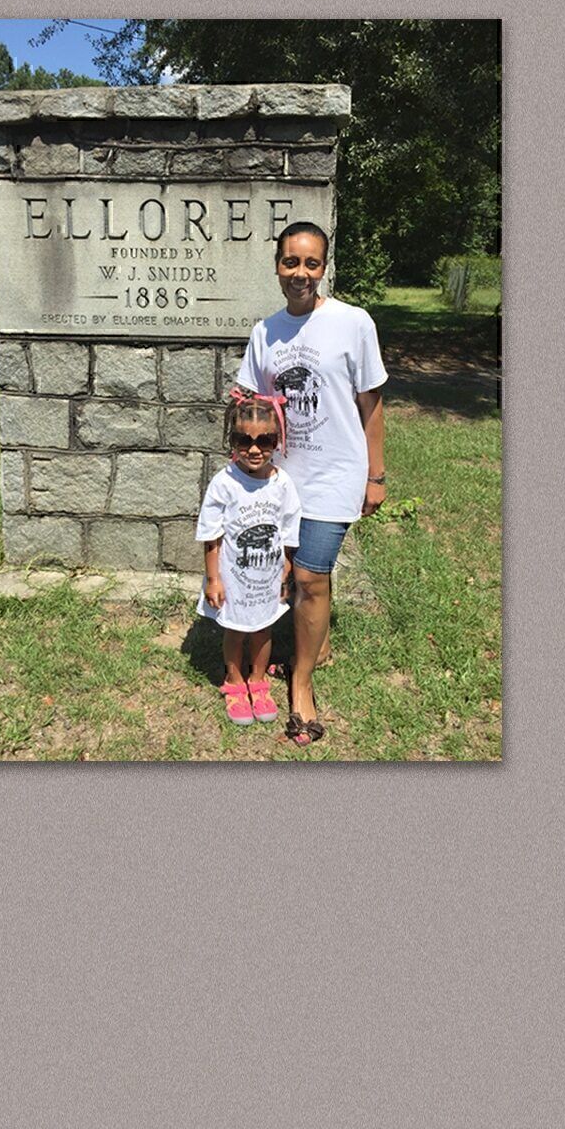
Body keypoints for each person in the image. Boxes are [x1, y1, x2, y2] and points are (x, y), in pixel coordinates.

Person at [235, 222, 387, 747]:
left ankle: (301, 685)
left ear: (325, 268)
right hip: (280, 481)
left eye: (312, 263)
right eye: (291, 262)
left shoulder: (353, 323)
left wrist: (376, 474)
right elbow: (250, 403)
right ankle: (314, 643)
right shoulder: (266, 332)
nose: (301, 273)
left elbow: (371, 403)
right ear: (277, 265)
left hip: (334, 474)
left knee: (310, 576)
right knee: (297, 578)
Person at [196, 394, 302, 729]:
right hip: (234, 578)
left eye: (265, 440)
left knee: (263, 628)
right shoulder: (225, 483)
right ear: (232, 440)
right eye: (244, 440)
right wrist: (214, 579)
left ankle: (258, 679)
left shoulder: (282, 484)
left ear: (278, 441)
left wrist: (286, 567)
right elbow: (212, 534)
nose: (254, 449)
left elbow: (288, 528)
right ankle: (234, 678)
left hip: (267, 578)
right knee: (236, 630)